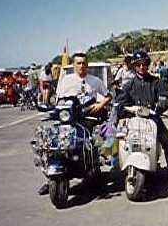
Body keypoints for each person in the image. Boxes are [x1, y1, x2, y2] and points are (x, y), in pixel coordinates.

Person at [38, 52, 113, 195]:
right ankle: (50, 178)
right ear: (74, 65)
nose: (81, 66)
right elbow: (59, 100)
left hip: (88, 116)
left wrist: (101, 104)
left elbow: (109, 95)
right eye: (78, 63)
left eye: (84, 63)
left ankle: (91, 168)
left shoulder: (95, 81)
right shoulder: (66, 80)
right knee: (53, 141)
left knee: (89, 140)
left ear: (87, 65)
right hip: (69, 117)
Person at [114, 50, 168, 184]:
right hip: (133, 119)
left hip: (152, 118)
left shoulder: (156, 81)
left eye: (144, 64)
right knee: (121, 140)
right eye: (138, 65)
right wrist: (123, 109)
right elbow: (119, 101)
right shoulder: (128, 85)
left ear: (147, 65)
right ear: (134, 66)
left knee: (167, 143)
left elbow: (164, 97)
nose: (142, 67)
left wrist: (158, 108)